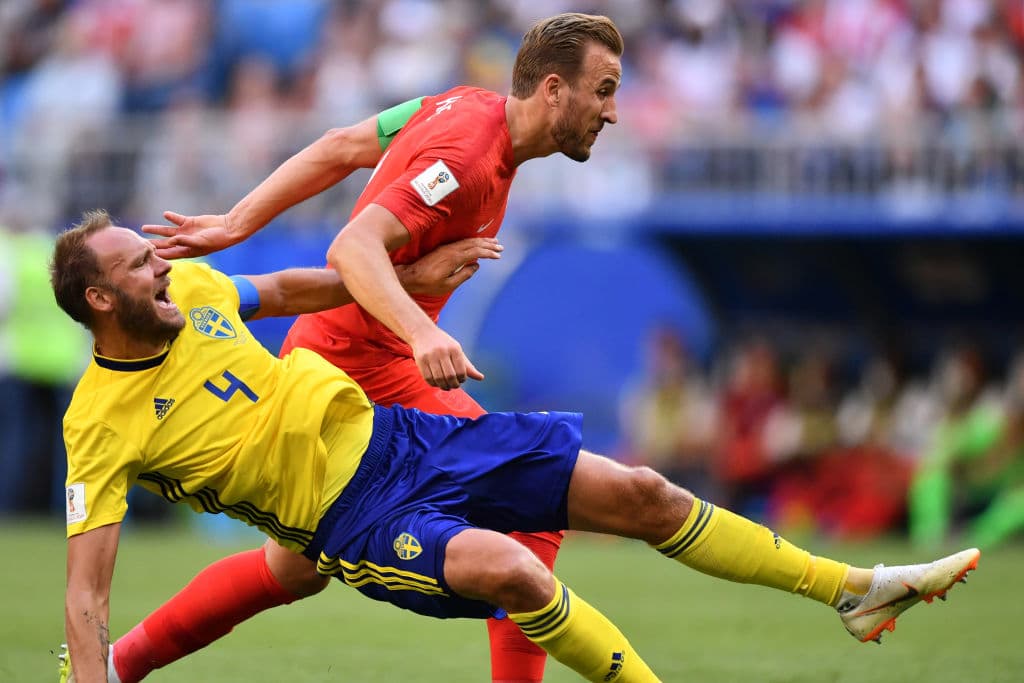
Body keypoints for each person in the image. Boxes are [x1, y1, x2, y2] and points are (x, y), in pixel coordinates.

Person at [55, 214, 980, 683]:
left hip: (403, 437)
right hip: (352, 517)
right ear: (101, 301)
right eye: (139, 265)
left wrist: (411, 281)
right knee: (516, 572)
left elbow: (299, 286)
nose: (162, 266)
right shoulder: (98, 423)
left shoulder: (203, 290)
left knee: (646, 492)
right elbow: (86, 591)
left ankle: (853, 591)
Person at [120, 12, 623, 683]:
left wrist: (239, 219)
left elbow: (340, 144)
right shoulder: (464, 155)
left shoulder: (455, 105)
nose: (613, 112)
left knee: (293, 569)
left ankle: (118, 662)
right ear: (554, 89)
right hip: (358, 366)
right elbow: (352, 245)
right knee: (536, 496)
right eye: (605, 89)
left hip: (347, 357)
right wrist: (423, 329)